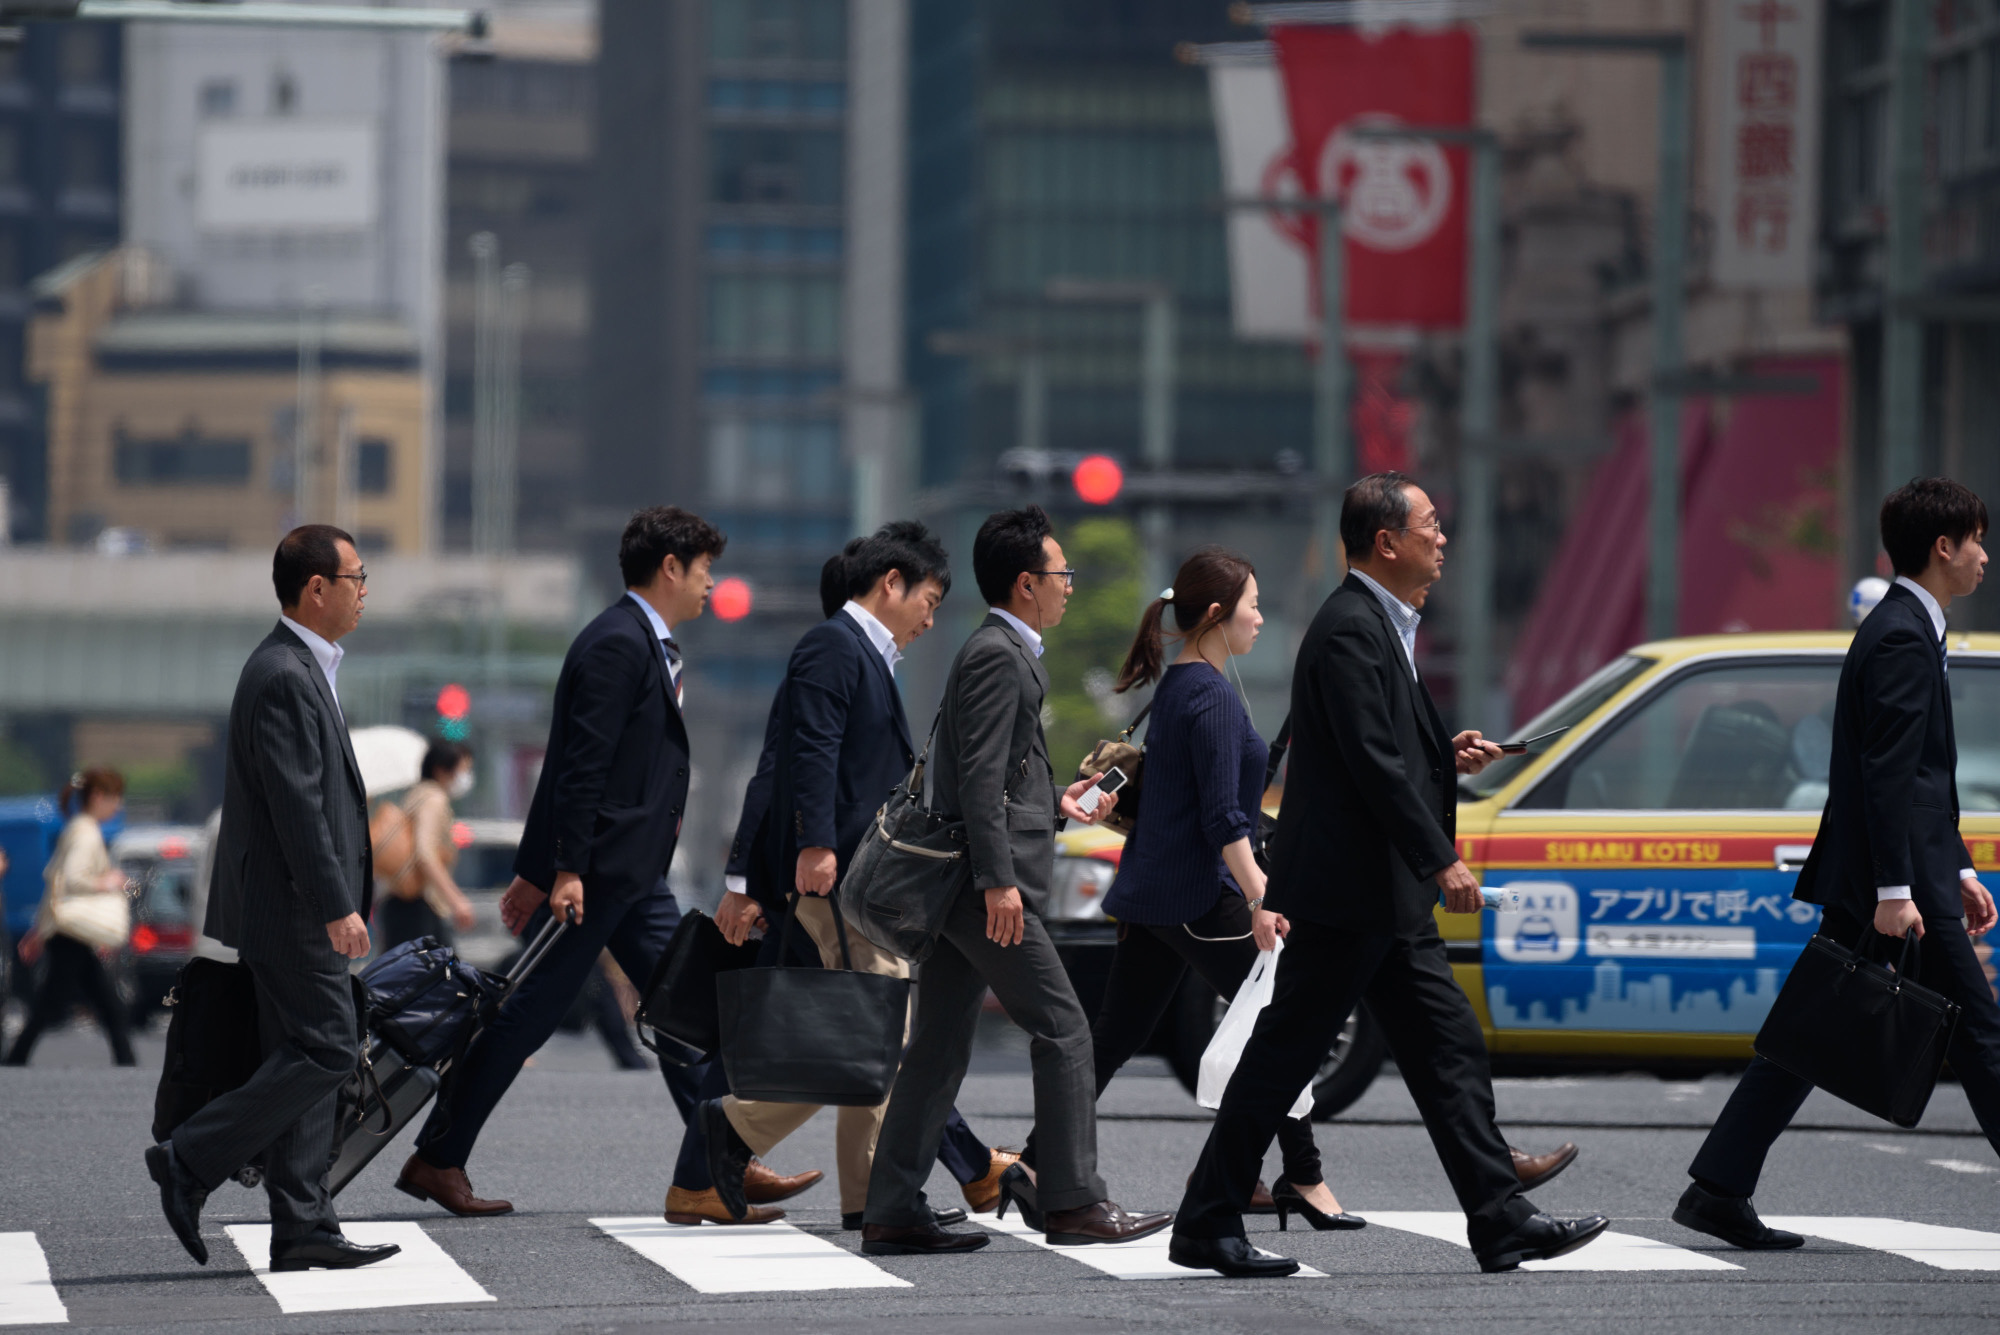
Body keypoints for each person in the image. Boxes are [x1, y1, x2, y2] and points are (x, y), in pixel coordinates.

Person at [1169, 473, 1609, 1278]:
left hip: (1380, 896)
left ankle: (1500, 1218)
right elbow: (1370, 762)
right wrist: (1439, 857)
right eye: (1431, 524)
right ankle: (1205, 1219)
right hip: (1348, 892)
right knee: (1282, 1060)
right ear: (1386, 541)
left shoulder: (1378, 623)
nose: (1443, 537)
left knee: (1448, 1049)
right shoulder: (1349, 628)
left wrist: (1446, 751)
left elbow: (1375, 746)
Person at [1675, 478, 2000, 1249]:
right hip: (1894, 881)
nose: (1987, 556)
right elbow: (1886, 773)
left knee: (1812, 1027)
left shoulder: (1913, 627)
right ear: (1943, 547)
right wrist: (1899, 887)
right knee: (1982, 1032)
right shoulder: (1898, 634)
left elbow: (1920, 777)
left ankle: (1719, 1185)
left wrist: (1954, 866)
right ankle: (1717, 1186)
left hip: (1908, 871)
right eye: (1978, 540)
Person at [396, 507, 728, 1219]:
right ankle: (439, 1155)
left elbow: (566, 770)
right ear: (671, 567)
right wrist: (564, 868)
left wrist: (531, 866)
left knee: (686, 1013)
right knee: (525, 1018)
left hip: (633, 876)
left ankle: (720, 1164)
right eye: (705, 570)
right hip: (604, 873)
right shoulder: (618, 643)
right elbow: (579, 768)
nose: (711, 585)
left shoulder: (639, 641)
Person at [860, 505, 1168, 1255]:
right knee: (1064, 1028)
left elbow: (992, 774)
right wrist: (1001, 882)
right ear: (1027, 583)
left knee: (935, 1045)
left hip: (965, 882)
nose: (1068, 584)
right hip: (979, 888)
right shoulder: (1003, 653)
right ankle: (1070, 1199)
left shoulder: (999, 648)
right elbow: (981, 782)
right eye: (1061, 573)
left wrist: (1054, 803)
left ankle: (893, 1208)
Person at [679, 522, 991, 1230]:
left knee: (872, 1036)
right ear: (892, 584)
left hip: (861, 879)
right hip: (844, 878)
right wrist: (813, 844)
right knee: (882, 1035)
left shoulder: (865, 655)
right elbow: (806, 752)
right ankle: (736, 1134)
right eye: (930, 599)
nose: (931, 618)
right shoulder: (834, 645)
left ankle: (871, 1196)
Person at [146, 524, 398, 1273]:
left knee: (307, 1048)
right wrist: (334, 902)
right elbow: (297, 806)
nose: (363, 592)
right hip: (293, 911)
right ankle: (190, 1158)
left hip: (295, 906)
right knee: (326, 1046)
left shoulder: (301, 666)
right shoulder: (285, 673)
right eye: (357, 577)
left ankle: (303, 1223)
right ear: (315, 588)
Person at [6, 768, 136, 1067]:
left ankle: (16, 1058)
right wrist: (108, 881)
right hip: (71, 933)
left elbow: (53, 886)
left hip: (65, 931)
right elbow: (73, 880)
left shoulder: (77, 828)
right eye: (115, 798)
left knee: (89, 1001)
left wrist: (38, 931)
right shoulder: (86, 833)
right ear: (97, 797)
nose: (117, 806)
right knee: (70, 1002)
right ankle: (15, 1058)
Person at [372, 741, 477, 952]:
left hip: (400, 903)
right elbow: (425, 854)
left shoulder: (417, 795)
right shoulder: (433, 799)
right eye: (462, 770)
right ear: (440, 769)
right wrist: (456, 900)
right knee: (436, 975)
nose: (465, 777)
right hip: (419, 905)